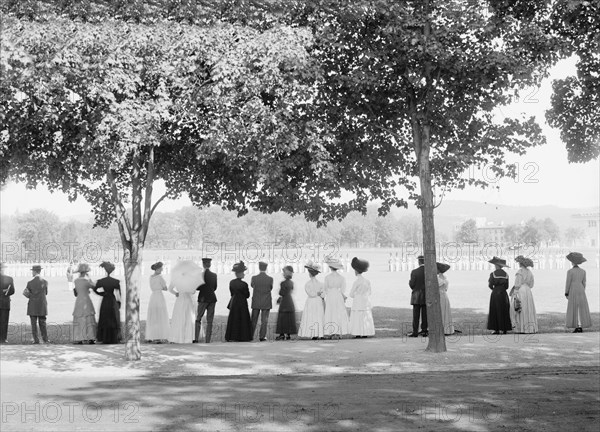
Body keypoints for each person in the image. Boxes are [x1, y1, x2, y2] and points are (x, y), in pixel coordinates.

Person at [93, 262, 122, 344]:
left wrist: (101, 294)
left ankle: (104, 337)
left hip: (105, 300)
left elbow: (94, 289)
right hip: (112, 300)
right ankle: (114, 337)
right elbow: (119, 293)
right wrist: (119, 302)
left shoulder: (102, 281)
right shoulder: (115, 281)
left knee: (104, 318)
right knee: (114, 318)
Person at [225, 261, 253, 342]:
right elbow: (247, 295)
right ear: (240, 273)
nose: (244, 274)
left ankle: (232, 335)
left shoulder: (232, 282)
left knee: (234, 318)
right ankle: (243, 336)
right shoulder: (244, 284)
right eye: (243, 273)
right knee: (243, 319)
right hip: (242, 302)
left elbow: (231, 293)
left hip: (234, 301)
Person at [322, 258, 349, 339]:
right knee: (338, 313)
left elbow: (325, 289)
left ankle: (331, 332)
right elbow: (343, 289)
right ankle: (338, 332)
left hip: (330, 296)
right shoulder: (342, 278)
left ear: (330, 267)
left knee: (330, 312)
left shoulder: (327, 277)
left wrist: (323, 296)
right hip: (338, 295)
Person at [510, 255, 538, 334]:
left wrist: (514, 293)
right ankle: (530, 328)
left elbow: (517, 284)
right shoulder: (530, 272)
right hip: (528, 291)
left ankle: (521, 328)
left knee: (520, 309)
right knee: (528, 308)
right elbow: (531, 284)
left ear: (520, 263)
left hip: (521, 290)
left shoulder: (520, 272)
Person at [565, 252, 591, 333]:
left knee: (574, 307)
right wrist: (583, 290)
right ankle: (580, 325)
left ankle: (576, 325)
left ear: (573, 262)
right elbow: (584, 282)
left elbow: (568, 282)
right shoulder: (583, 271)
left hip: (573, 289)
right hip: (581, 289)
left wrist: (566, 292)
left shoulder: (570, 271)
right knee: (581, 307)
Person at [348, 257, 375, 338]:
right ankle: (365, 332)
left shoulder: (356, 282)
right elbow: (370, 292)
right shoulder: (367, 281)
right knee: (365, 316)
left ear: (356, 271)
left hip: (358, 301)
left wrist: (357, 294)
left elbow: (351, 294)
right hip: (365, 301)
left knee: (358, 317)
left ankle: (358, 332)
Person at [298, 262, 325, 340]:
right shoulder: (321, 284)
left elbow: (310, 294)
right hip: (318, 301)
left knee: (311, 317)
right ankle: (320, 333)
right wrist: (319, 294)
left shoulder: (307, 284)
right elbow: (323, 295)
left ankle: (313, 334)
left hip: (311, 302)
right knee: (319, 317)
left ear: (310, 273)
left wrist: (316, 293)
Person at [24, 265, 49, 344]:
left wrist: (31, 296)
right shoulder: (45, 282)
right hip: (42, 305)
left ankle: (36, 339)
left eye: (32, 271)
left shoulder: (30, 283)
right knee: (42, 323)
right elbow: (46, 293)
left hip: (33, 305)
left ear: (35, 271)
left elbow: (26, 293)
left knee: (33, 323)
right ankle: (45, 339)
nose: (32, 272)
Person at [72, 263, 97, 344]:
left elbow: (76, 292)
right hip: (86, 300)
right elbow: (94, 286)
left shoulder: (76, 281)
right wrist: (89, 278)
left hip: (79, 300)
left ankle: (79, 337)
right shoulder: (86, 281)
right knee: (88, 318)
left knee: (79, 317)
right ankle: (91, 337)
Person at [194, 258, 218, 343]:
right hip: (212, 298)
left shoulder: (200, 275)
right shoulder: (214, 275)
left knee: (198, 318)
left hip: (203, 298)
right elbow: (215, 287)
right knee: (210, 320)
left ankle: (196, 338)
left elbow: (197, 288)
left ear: (203, 264)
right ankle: (208, 340)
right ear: (210, 265)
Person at [486, 256, 512, 335]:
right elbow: (507, 286)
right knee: (504, 309)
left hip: (495, 293)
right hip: (503, 293)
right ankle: (504, 329)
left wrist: (494, 289)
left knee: (495, 310)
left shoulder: (493, 274)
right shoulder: (506, 274)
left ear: (497, 265)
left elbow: (490, 285)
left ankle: (496, 329)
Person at [146, 262, 170, 343]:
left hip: (153, 296)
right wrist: (161, 287)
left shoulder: (150, 277)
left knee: (153, 316)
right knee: (161, 315)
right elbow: (165, 288)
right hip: (159, 296)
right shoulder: (160, 277)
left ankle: (152, 335)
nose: (162, 269)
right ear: (158, 269)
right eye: (161, 268)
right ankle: (160, 335)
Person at [250, 261, 273, 342]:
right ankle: (262, 336)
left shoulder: (254, 278)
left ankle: (250, 335)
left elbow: (252, 286)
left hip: (256, 300)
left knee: (253, 320)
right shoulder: (270, 279)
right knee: (264, 321)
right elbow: (270, 288)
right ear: (266, 268)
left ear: (259, 268)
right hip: (266, 301)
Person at [275, 265, 297, 340]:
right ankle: (288, 334)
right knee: (289, 318)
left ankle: (282, 334)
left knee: (282, 318)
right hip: (290, 301)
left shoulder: (283, 283)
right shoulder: (291, 283)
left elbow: (281, 292)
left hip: (284, 301)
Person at [408, 255, 427, 337]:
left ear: (419, 262)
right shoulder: (428, 271)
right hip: (426, 295)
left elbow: (412, 285)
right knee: (425, 315)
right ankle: (424, 330)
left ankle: (415, 332)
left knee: (416, 315)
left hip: (416, 296)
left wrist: (409, 282)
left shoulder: (414, 271)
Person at [437, 262, 455, 336]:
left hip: (440, 296)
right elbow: (446, 289)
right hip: (444, 295)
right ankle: (446, 329)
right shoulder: (445, 278)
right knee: (445, 312)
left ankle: (441, 329)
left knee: (441, 312)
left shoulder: (438, 278)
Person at [0, 263, 15, 344]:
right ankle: (3, 339)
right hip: (5, 302)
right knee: (4, 321)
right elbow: (12, 291)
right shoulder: (9, 279)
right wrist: (5, 292)